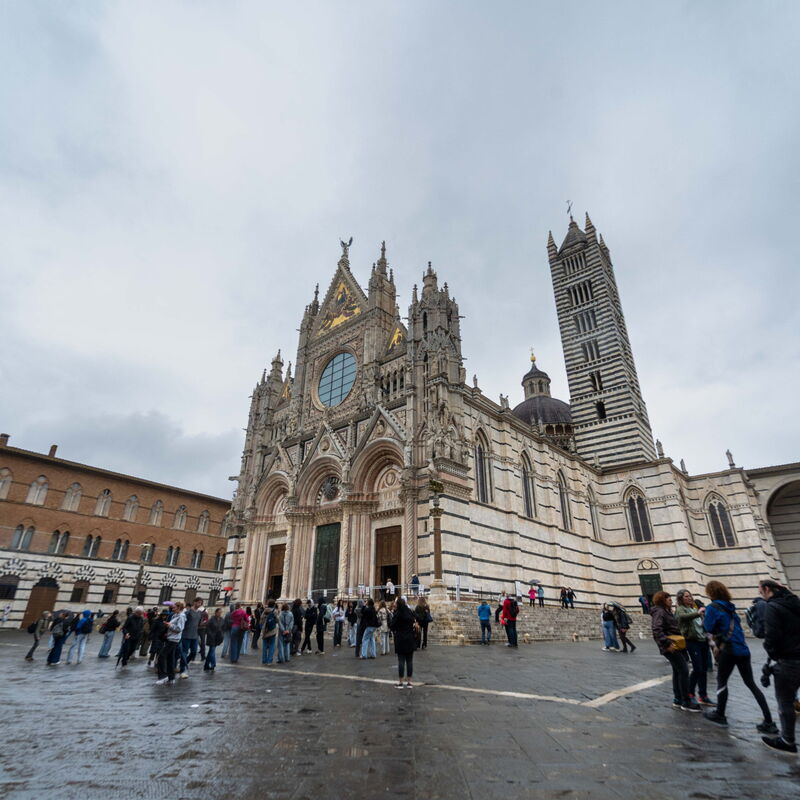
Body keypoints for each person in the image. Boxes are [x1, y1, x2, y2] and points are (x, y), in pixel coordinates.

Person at [702, 580, 777, 733]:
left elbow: (708, 628)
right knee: (751, 684)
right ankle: (769, 721)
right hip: (743, 649)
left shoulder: (713, 607)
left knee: (722, 681)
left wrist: (704, 615)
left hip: (729, 650)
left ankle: (720, 714)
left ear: (710, 593)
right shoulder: (730, 608)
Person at [757, 578, 800, 753]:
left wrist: (773, 655)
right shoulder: (796, 604)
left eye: (760, 591)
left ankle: (788, 741)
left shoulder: (772, 607)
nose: (760, 594)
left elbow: (772, 637)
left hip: (789, 661)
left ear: (767, 589)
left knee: (785, 702)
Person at [650, 591, 700, 712]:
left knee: (678, 671)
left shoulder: (666, 611)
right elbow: (657, 629)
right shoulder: (660, 612)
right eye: (668, 599)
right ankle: (686, 701)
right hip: (671, 646)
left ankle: (678, 699)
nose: (671, 601)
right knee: (683, 670)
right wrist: (666, 643)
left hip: (677, 645)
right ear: (662, 600)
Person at [674, 590, 713, 705]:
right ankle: (690, 693)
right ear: (681, 598)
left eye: (690, 595)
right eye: (686, 596)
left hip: (702, 641)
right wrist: (698, 613)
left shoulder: (694, 608)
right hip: (692, 641)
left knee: (704, 669)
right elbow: (681, 617)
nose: (689, 598)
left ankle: (703, 695)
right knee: (697, 669)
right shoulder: (681, 608)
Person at [390, 596, 417, 688]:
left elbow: (392, 626)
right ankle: (409, 682)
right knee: (409, 661)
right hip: (410, 638)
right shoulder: (410, 612)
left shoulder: (398, 614)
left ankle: (401, 682)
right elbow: (415, 620)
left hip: (400, 638)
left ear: (398, 604)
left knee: (401, 660)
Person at [156, 601, 185, 684]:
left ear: (179, 608)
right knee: (170, 659)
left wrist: (170, 625)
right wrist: (168, 625)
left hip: (174, 640)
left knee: (161, 656)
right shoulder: (175, 615)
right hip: (170, 638)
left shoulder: (181, 617)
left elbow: (179, 629)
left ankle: (163, 676)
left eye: (174, 607)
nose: (173, 608)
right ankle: (171, 677)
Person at [179, 597, 203, 678]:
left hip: (195, 635)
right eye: (198, 602)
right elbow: (183, 622)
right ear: (194, 602)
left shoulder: (200, 613)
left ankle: (185, 663)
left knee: (193, 652)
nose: (199, 604)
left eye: (200, 603)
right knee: (184, 652)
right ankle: (182, 669)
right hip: (186, 635)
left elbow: (198, 623)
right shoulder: (188, 612)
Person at [261, 601, 279, 665]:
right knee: (272, 646)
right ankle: (269, 661)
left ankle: (264, 660)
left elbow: (261, 620)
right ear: (274, 605)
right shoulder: (275, 611)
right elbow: (277, 621)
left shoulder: (264, 611)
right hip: (272, 631)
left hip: (265, 631)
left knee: (264, 646)